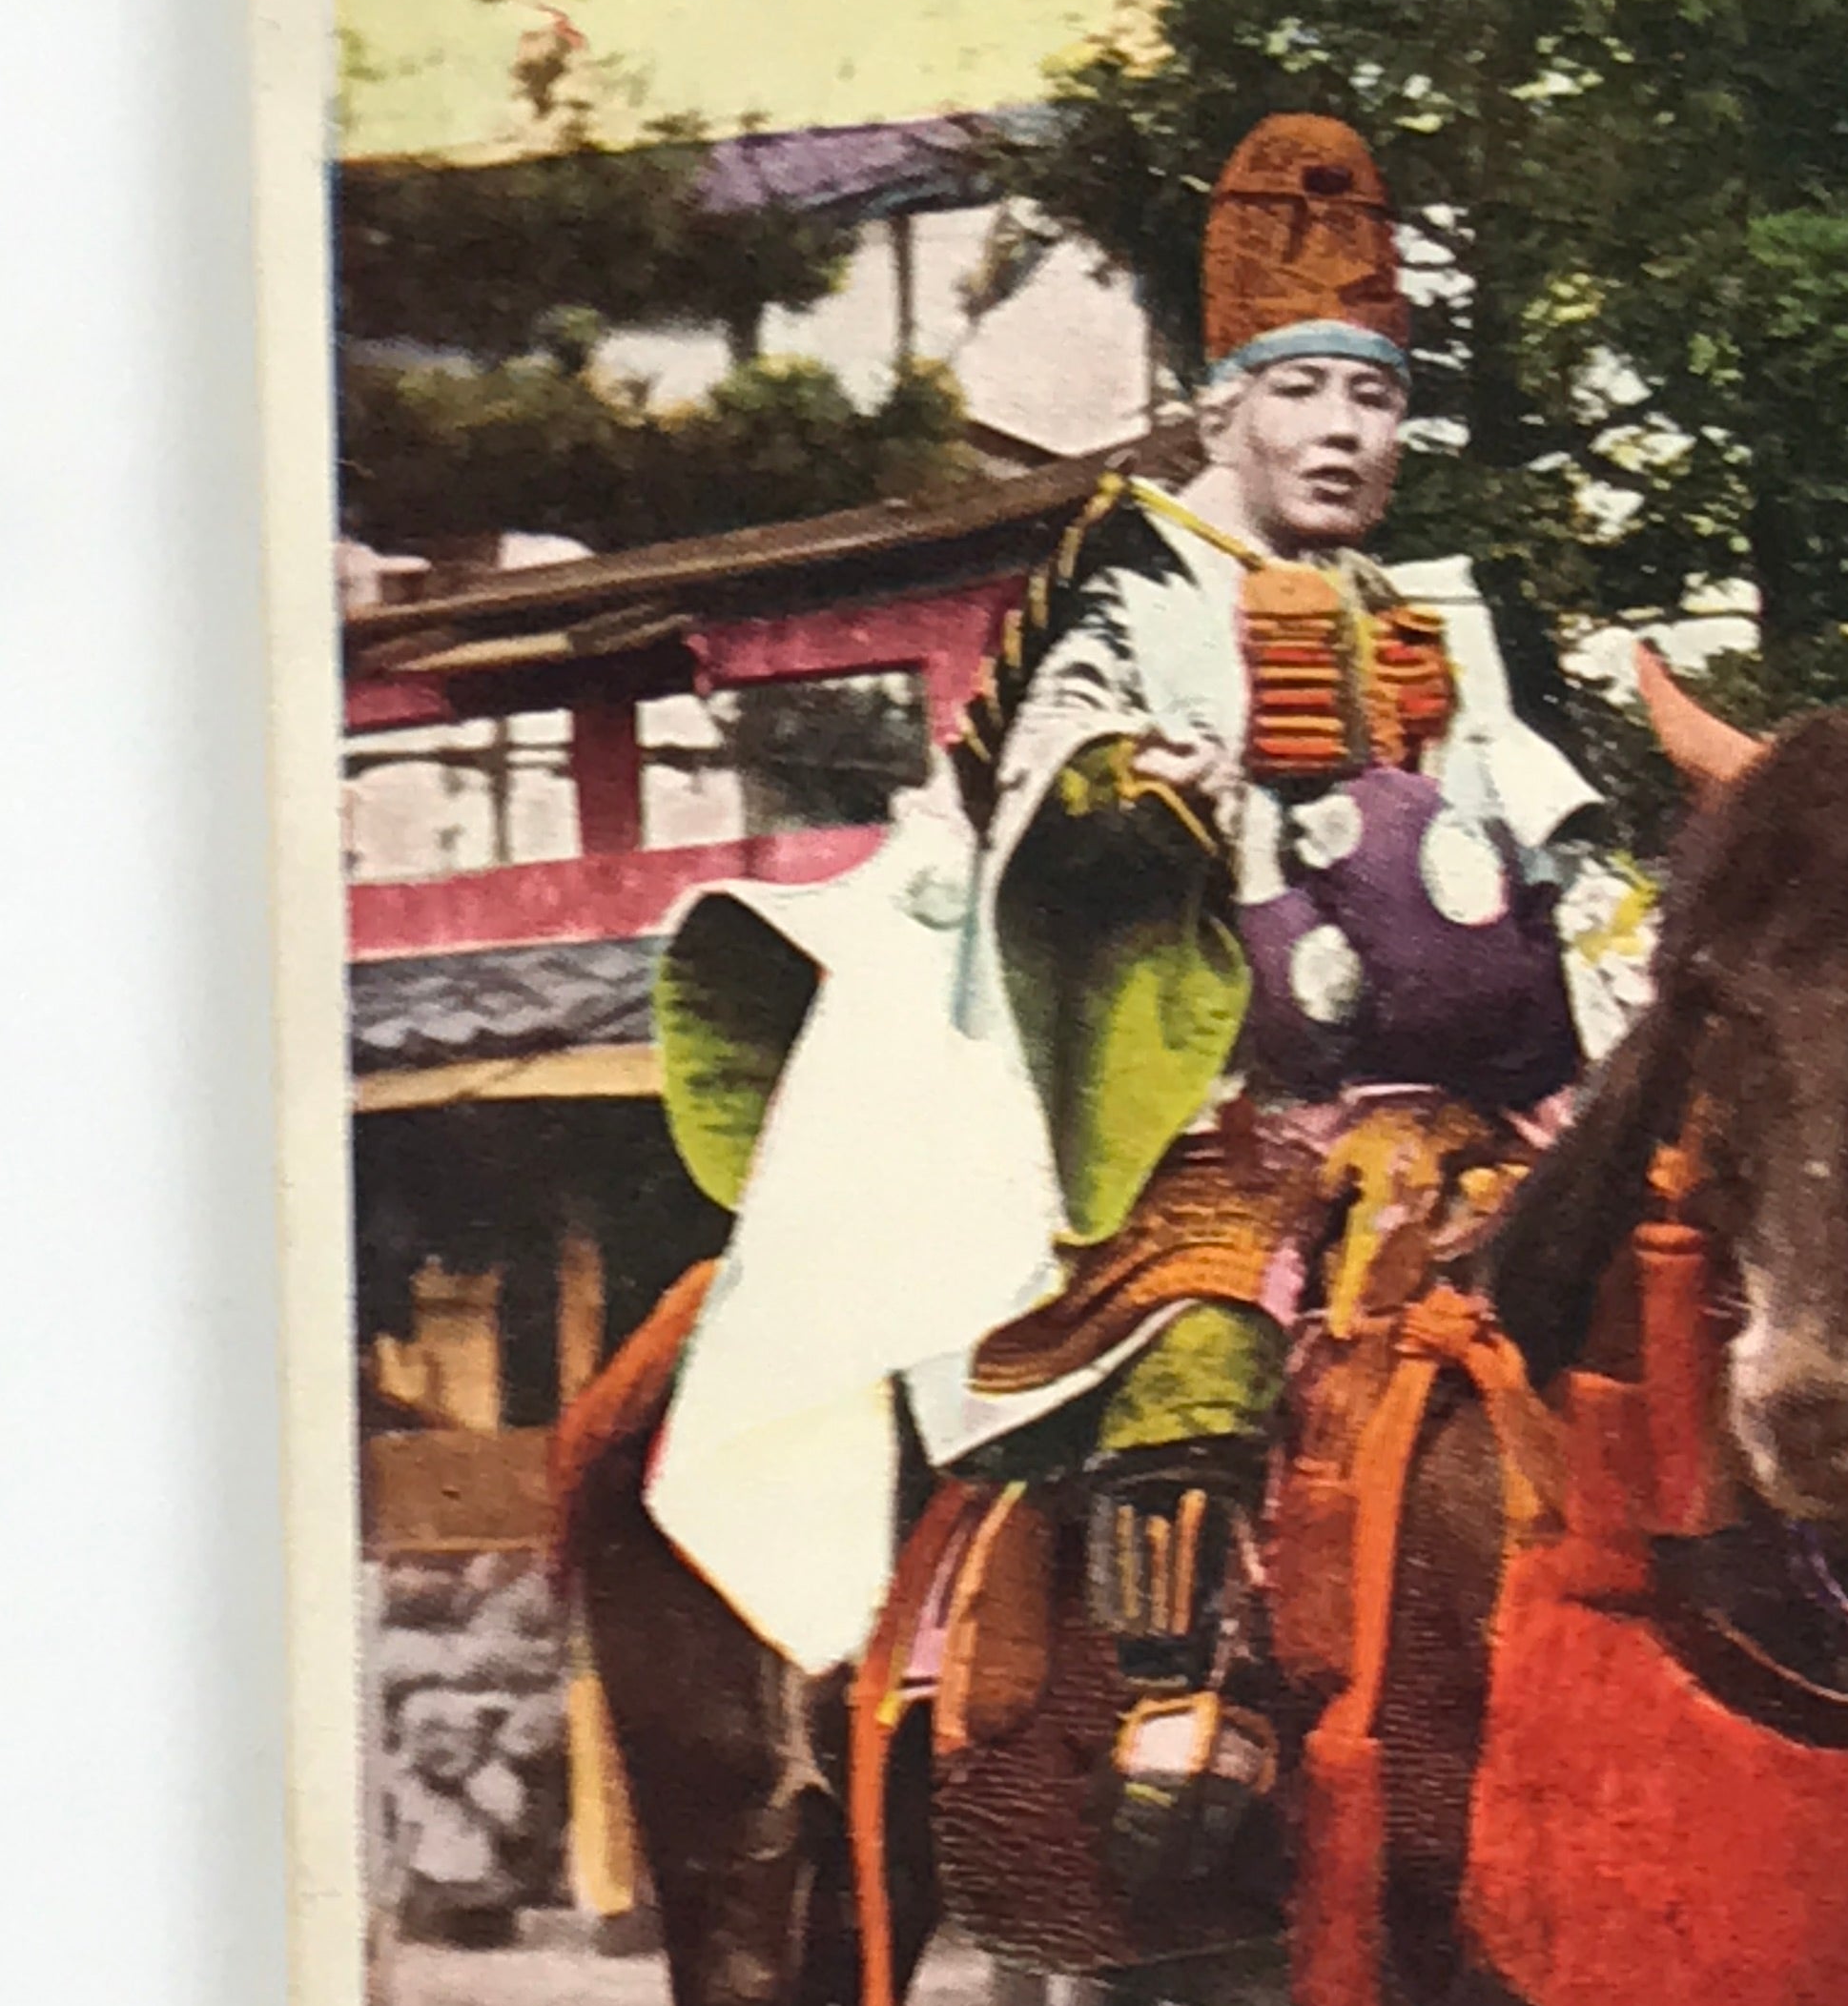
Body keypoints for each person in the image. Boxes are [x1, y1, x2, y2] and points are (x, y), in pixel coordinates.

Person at [645, 116, 1653, 1876]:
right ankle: (1176, 1700)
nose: (1343, 432)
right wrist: (1138, 786)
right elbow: (1039, 777)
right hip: (1210, 1107)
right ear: (1223, 407)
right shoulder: (1131, 587)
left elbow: (1542, 818)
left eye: (1376, 399)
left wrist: (1619, 915)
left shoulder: (1438, 617)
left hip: (1453, 1113)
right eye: (1303, 393)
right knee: (1209, 1321)